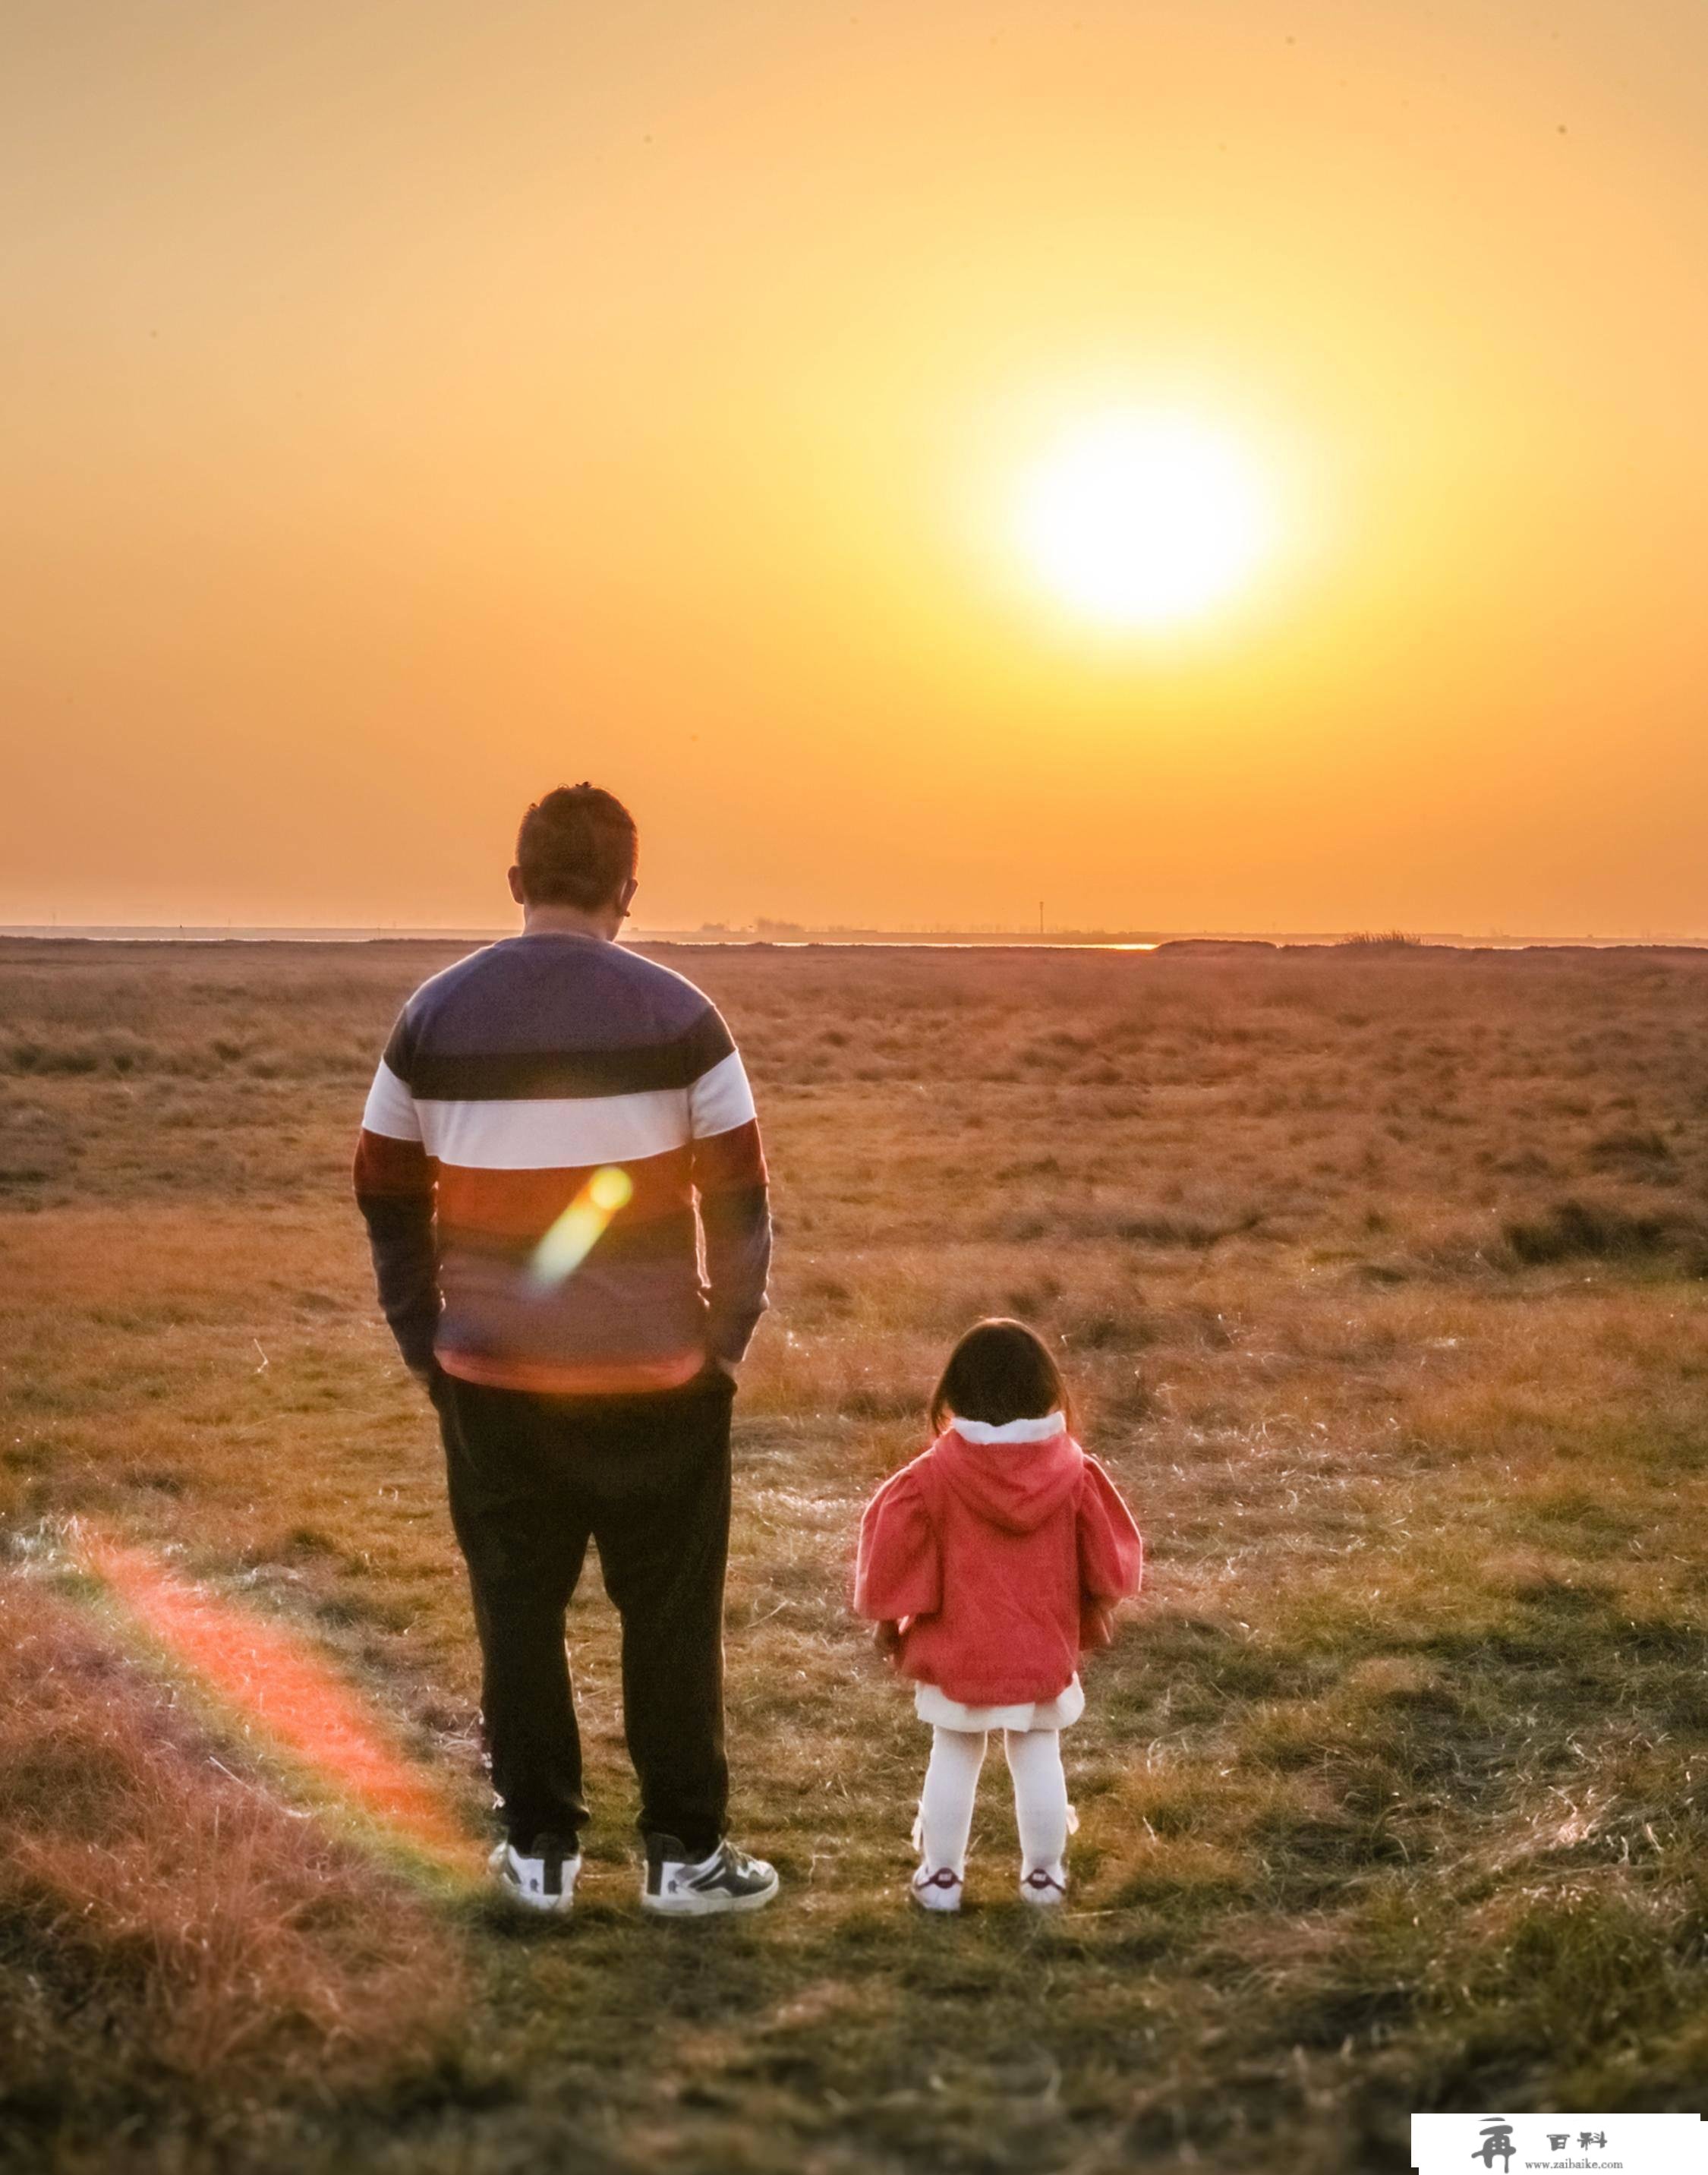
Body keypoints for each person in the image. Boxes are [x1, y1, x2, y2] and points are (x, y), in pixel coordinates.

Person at [354, 783, 778, 1917]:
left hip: (490, 1377)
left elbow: (383, 1188)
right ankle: (684, 1858)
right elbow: (742, 1201)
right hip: (661, 1379)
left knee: (517, 1614)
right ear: (626, 892)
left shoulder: (431, 1016)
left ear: (515, 882)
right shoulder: (685, 1015)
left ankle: (536, 1853)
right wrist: (722, 1344)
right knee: (671, 1623)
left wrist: (422, 1337)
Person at [853, 1319, 1142, 1911]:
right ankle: (1044, 1877)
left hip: (960, 1649)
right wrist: (1098, 1605)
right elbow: (1107, 1562)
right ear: (1046, 1389)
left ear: (954, 1392)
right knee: (1037, 1750)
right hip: (1041, 1646)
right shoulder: (1074, 1472)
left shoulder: (932, 1475)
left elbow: (889, 1556)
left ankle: (940, 1879)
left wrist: (889, 1619)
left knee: (954, 1754)